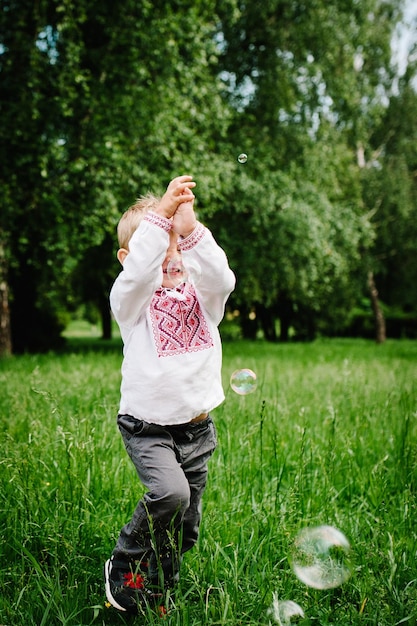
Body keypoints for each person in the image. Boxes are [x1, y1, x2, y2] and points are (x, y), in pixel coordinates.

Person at [104, 175, 235, 615]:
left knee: (186, 527)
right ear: (131, 258)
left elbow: (221, 276)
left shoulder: (205, 299)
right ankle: (123, 567)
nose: (170, 258)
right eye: (158, 249)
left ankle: (161, 590)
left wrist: (190, 227)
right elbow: (140, 272)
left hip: (197, 430)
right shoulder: (131, 304)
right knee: (171, 496)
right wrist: (159, 220)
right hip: (148, 428)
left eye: (176, 246)